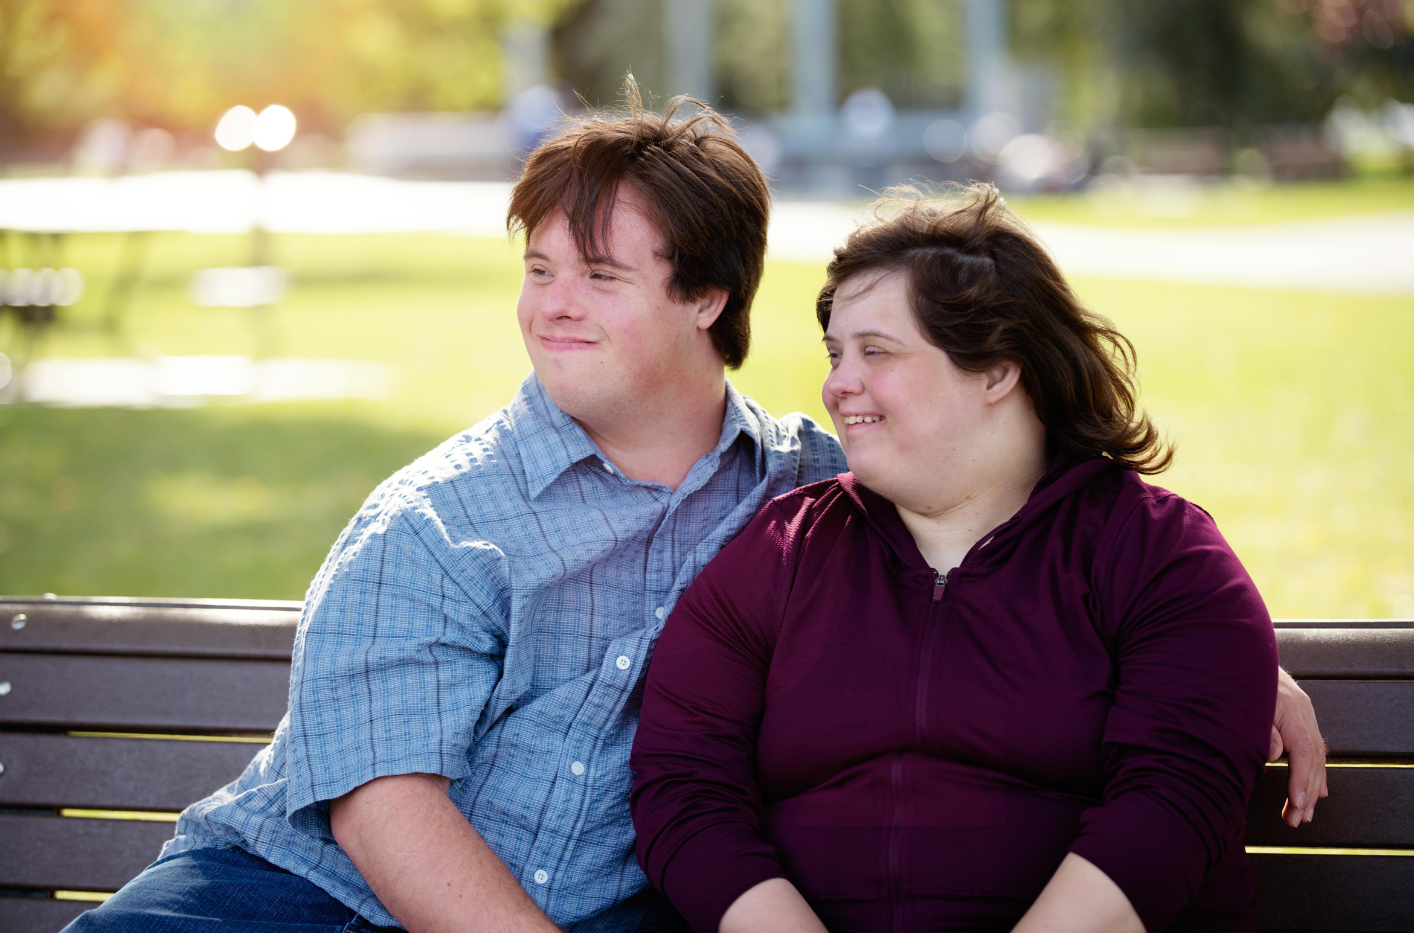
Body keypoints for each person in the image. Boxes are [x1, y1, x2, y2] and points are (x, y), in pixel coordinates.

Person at [66, 87, 1325, 933]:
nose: (551, 305)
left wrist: (1236, 670)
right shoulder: (439, 520)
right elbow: (384, 808)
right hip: (286, 897)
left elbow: (1010, 504)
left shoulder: (804, 487)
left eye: (600, 275)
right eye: (539, 271)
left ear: (709, 298)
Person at [630, 186, 1315, 933]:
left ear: (997, 369)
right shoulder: (782, 554)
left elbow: (1172, 805)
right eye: (836, 354)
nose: (836, 385)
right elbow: (686, 786)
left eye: (877, 352)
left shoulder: (1158, 556)